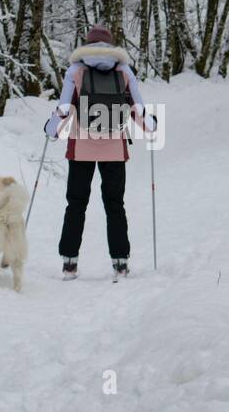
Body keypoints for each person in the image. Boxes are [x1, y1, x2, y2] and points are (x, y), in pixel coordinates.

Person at [44, 25, 155, 279]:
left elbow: (64, 107)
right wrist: (151, 127)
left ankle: (69, 263)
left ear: (87, 43)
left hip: (80, 148)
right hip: (114, 149)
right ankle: (120, 262)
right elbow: (138, 108)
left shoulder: (76, 70)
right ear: (111, 45)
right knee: (115, 204)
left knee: (76, 204)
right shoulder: (124, 70)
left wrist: (52, 130)